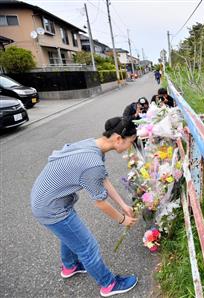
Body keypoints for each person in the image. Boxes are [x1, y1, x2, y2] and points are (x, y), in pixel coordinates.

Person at [30, 117, 139, 297]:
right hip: (51, 208)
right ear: (118, 138)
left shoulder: (93, 145)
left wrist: (123, 205)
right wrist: (122, 220)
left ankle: (70, 266)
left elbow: (101, 178)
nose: (131, 147)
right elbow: (100, 203)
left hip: (44, 198)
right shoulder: (92, 163)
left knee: (70, 235)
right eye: (131, 142)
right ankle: (109, 284)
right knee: (88, 247)